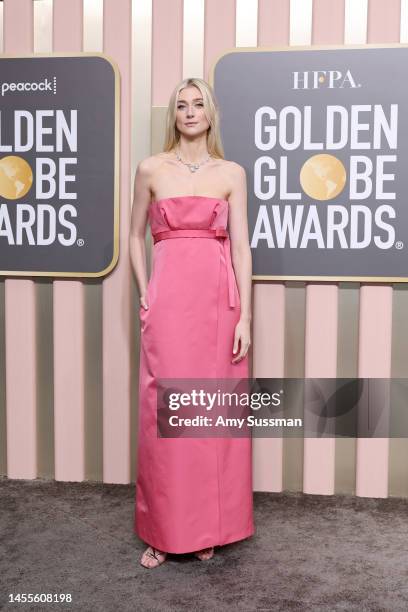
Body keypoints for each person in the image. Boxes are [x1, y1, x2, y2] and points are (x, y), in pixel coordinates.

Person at [129, 77, 254, 569]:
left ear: (210, 113)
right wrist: (146, 293)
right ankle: (163, 530)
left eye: (199, 103)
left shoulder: (231, 173)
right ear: (174, 116)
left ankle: (205, 526)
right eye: (182, 105)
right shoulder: (151, 169)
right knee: (165, 412)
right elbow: (134, 236)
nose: (190, 111)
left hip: (218, 304)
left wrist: (245, 312)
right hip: (169, 301)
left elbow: (242, 247)